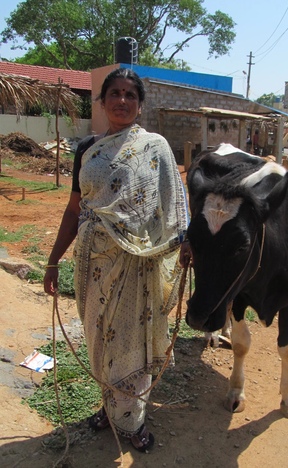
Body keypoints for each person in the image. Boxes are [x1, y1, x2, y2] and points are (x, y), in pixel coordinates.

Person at [44, 68, 190, 452]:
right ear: (103, 100)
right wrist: (53, 260)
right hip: (93, 262)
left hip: (137, 261)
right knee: (99, 336)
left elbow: (173, 204)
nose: (122, 100)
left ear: (140, 104)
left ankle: (133, 420)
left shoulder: (155, 147)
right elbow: (75, 210)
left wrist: (184, 243)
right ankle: (110, 407)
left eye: (130, 94)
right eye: (114, 93)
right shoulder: (87, 149)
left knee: (132, 341)